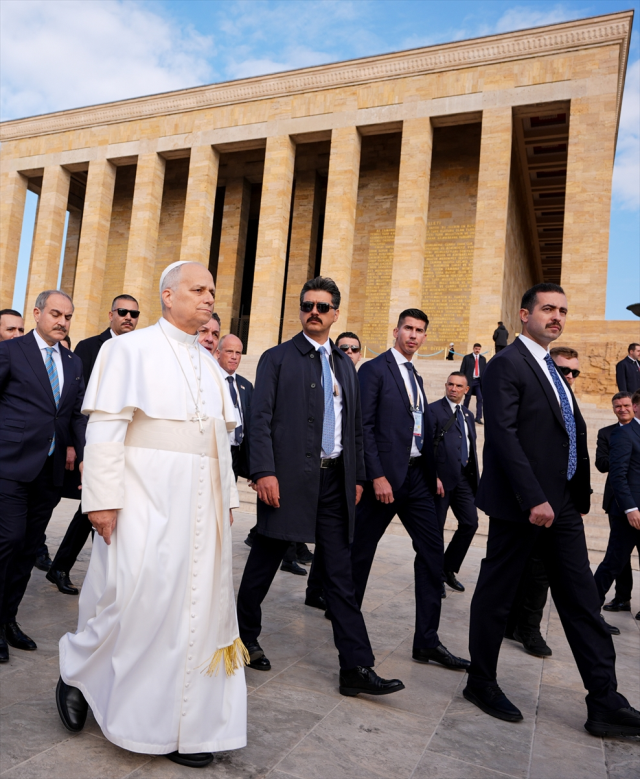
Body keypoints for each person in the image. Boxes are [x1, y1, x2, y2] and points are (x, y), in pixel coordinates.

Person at [56, 261, 246, 769]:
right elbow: (106, 428)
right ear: (167, 295)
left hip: (201, 508)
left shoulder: (210, 364)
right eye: (197, 289)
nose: (208, 299)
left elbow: (219, 444)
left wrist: (228, 501)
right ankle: (78, 672)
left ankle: (180, 725)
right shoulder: (128, 349)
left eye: (211, 291)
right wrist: (100, 499)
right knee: (131, 598)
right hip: (144, 497)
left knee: (191, 616)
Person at [465, 282, 640, 739]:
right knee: (497, 594)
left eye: (562, 309)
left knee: (583, 601)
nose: (556, 316)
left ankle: (605, 701)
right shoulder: (508, 364)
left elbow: (565, 434)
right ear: (524, 315)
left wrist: (570, 499)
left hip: (560, 505)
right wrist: (533, 497)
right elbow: (502, 435)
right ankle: (480, 681)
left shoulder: (550, 368)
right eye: (547, 308)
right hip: (523, 505)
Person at [236, 276, 405, 698]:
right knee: (265, 562)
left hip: (336, 483)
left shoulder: (346, 366)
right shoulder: (277, 358)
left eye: (323, 306)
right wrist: (263, 472)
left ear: (335, 313)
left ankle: (356, 666)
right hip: (287, 479)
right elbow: (260, 420)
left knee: (340, 575)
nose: (315, 311)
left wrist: (360, 477)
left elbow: (355, 431)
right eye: (308, 304)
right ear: (301, 310)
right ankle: (242, 638)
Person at [351, 309, 469, 671]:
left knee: (433, 555)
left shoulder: (415, 374)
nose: (414, 336)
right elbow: (364, 425)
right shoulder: (374, 369)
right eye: (408, 329)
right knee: (359, 556)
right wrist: (377, 476)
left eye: (420, 331)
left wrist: (432, 472)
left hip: (417, 478)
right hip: (384, 480)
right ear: (396, 330)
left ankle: (427, 642)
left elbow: (417, 427)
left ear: (425, 337)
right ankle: (347, 628)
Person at [0, 290, 86, 664]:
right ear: (37, 313)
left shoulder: (73, 361)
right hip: (9, 464)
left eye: (67, 316)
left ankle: (8, 620)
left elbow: (76, 415)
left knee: (28, 547)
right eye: (55, 313)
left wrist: (85, 455)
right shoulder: (11, 351)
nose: (62, 321)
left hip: (48, 473)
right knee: (8, 539)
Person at [46, 295, 140, 596]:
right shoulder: (89, 347)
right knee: (93, 505)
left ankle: (75, 569)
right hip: (93, 440)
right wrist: (76, 446)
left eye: (134, 313)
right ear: (111, 314)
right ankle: (61, 566)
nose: (129, 317)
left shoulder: (139, 350)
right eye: (123, 312)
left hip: (126, 441)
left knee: (101, 505)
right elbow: (78, 402)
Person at [505, 345, 588, 658]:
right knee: (517, 567)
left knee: (540, 571)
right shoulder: (535, 395)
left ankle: (529, 627)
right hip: (527, 497)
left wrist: (579, 497)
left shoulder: (569, 400)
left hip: (560, 501)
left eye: (574, 372)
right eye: (562, 370)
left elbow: (578, 450)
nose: (568, 376)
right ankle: (510, 623)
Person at [429, 371, 479, 593]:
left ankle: (447, 568)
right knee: (435, 529)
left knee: (470, 523)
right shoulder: (433, 410)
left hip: (463, 480)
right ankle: (434, 578)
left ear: (466, 390)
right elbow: (425, 447)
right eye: (450, 384)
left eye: (459, 386)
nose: (454, 389)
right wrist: (433, 475)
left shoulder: (468, 415)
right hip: (439, 481)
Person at [594, 389, 640, 624]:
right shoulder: (610, 434)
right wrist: (621, 457)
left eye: (625, 405)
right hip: (620, 501)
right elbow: (604, 465)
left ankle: (622, 598)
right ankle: (607, 600)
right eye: (617, 406)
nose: (622, 409)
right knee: (617, 557)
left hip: (635, 499)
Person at [461, 343, 486, 424]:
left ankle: (478, 417)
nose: (477, 350)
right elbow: (462, 370)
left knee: (480, 398)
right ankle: (463, 414)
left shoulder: (483, 359)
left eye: (479, 349)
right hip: (469, 381)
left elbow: (485, 370)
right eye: (476, 348)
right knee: (467, 398)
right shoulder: (467, 358)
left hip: (478, 381)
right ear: (473, 348)